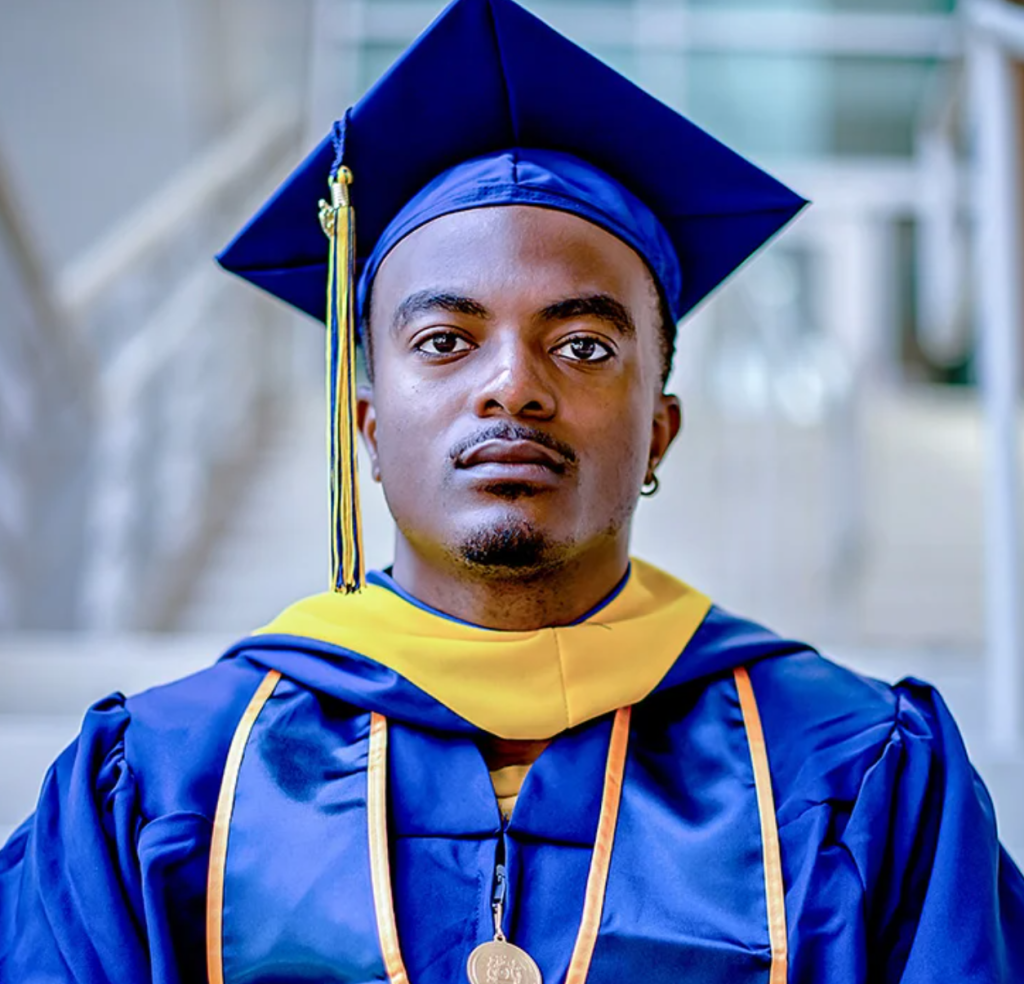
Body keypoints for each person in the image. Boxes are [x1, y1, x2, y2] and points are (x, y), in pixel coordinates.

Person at [2, 0, 1023, 981]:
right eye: (445, 341)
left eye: (581, 345)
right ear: (365, 428)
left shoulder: (855, 774)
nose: (511, 386)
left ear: (659, 430)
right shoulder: (169, 782)